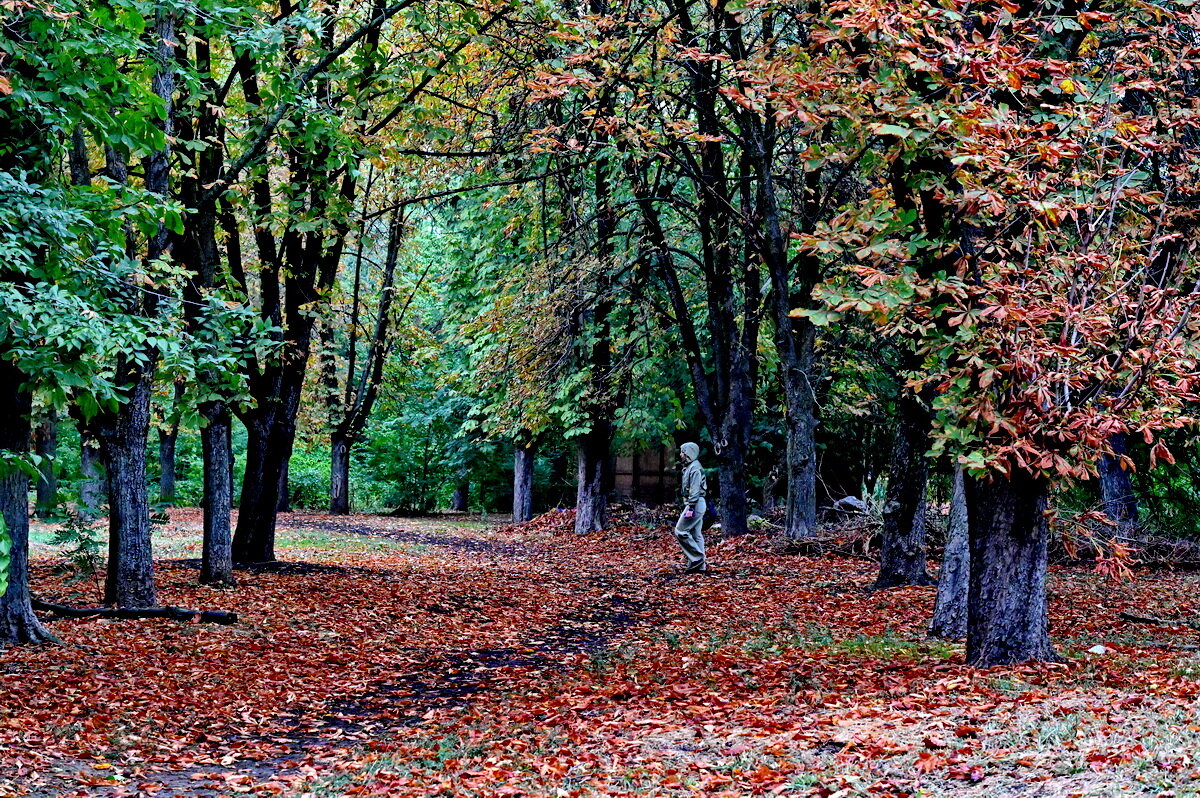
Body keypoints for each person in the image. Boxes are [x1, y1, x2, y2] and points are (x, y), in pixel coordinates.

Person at [674, 442, 708, 574]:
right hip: (696, 503)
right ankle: (700, 567)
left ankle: (697, 559)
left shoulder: (694, 468)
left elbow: (695, 490)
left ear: (688, 453)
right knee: (695, 535)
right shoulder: (690, 467)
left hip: (695, 504)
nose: (681, 454)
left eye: (683, 452)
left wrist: (691, 507)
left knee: (680, 531)